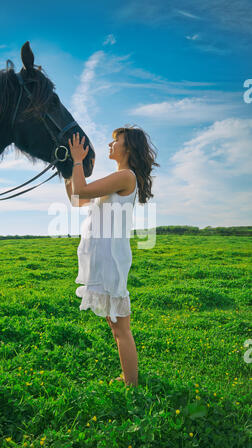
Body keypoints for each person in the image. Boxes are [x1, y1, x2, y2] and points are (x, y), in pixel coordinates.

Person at [64, 125, 159, 387]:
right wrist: (66, 171)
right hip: (103, 255)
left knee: (121, 327)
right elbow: (77, 199)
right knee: (114, 323)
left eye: (115, 141)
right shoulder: (117, 178)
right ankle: (128, 378)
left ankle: (131, 385)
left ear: (127, 148)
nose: (110, 144)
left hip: (111, 257)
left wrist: (78, 161)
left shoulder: (126, 176)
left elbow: (81, 190)